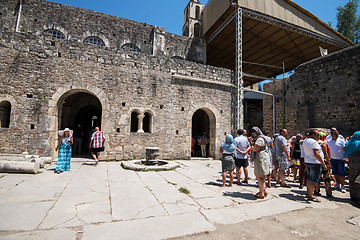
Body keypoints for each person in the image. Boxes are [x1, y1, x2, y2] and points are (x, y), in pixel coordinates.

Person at [303, 129, 328, 202]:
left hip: (308, 161)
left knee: (309, 179)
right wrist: (323, 163)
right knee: (313, 181)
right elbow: (316, 153)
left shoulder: (305, 141)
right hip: (315, 163)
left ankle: (309, 193)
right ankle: (311, 196)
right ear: (313, 135)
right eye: (317, 135)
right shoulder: (314, 142)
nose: (318, 136)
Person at [251, 127, 270, 199]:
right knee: (262, 175)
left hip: (260, 158)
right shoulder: (262, 138)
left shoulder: (259, 139)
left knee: (260, 175)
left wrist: (250, 143)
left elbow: (255, 149)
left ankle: (261, 193)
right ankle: (264, 190)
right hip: (263, 157)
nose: (253, 134)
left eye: (254, 132)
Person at [326, 127, 347, 193]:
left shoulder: (341, 141)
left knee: (341, 173)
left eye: (337, 133)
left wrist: (346, 157)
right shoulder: (329, 141)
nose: (337, 135)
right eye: (335, 134)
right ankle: (337, 184)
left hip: (340, 159)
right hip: (332, 159)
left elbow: (344, 149)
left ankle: (342, 186)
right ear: (332, 135)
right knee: (335, 173)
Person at [314, 131, 332, 197]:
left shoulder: (315, 143)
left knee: (317, 177)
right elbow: (326, 154)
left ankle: (316, 190)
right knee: (327, 177)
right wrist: (329, 163)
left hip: (316, 161)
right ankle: (328, 192)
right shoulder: (323, 144)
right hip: (324, 161)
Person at [344, 131, 360, 205]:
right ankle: (357, 197)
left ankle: (353, 196)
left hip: (352, 161)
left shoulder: (349, 143)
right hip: (358, 161)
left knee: (352, 178)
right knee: (358, 180)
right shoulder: (358, 143)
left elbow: (346, 154)